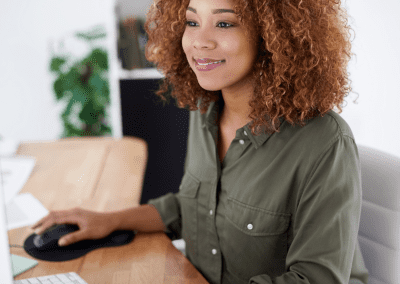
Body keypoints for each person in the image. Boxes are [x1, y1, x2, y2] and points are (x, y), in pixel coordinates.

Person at [32, 0, 370, 282]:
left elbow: (315, 279)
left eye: (224, 25)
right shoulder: (205, 109)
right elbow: (196, 207)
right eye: (192, 22)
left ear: (273, 36)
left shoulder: (324, 142)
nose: (199, 42)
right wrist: (110, 220)